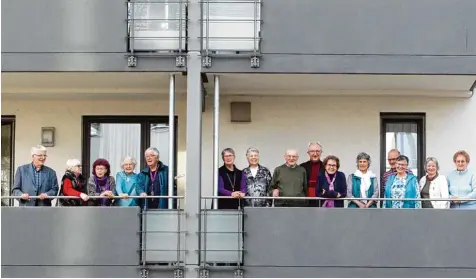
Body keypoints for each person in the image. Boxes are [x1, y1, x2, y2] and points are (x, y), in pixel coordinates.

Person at [300, 142, 325, 207]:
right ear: (308, 153)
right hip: (305, 200)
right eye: (312, 151)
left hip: (321, 200)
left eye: (317, 151)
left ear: (321, 152)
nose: (315, 154)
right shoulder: (302, 167)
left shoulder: (326, 167)